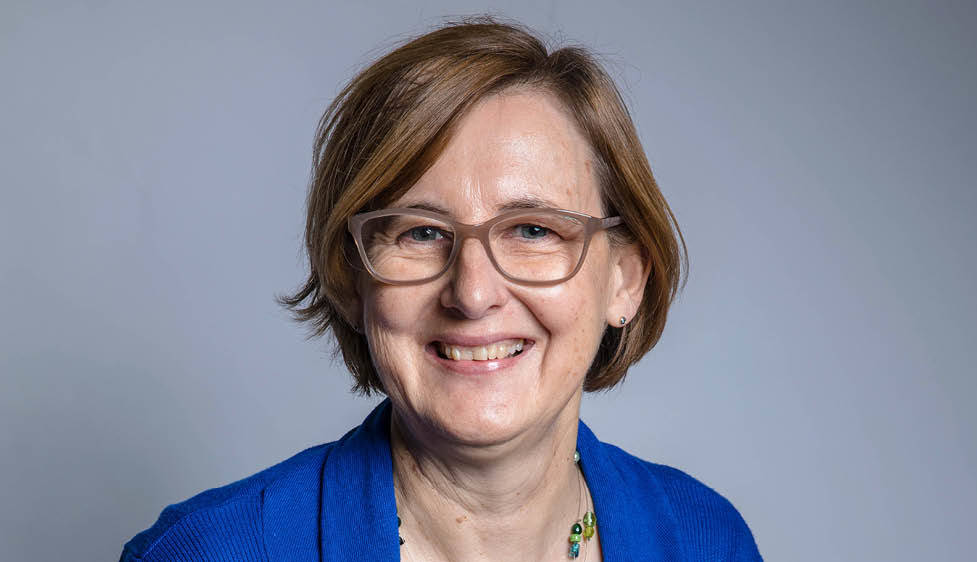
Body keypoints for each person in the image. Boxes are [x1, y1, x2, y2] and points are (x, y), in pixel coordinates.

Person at [120, 18, 762, 562]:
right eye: (421, 232)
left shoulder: (705, 539)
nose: (473, 292)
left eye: (533, 229)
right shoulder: (214, 549)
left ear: (626, 279)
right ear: (351, 278)